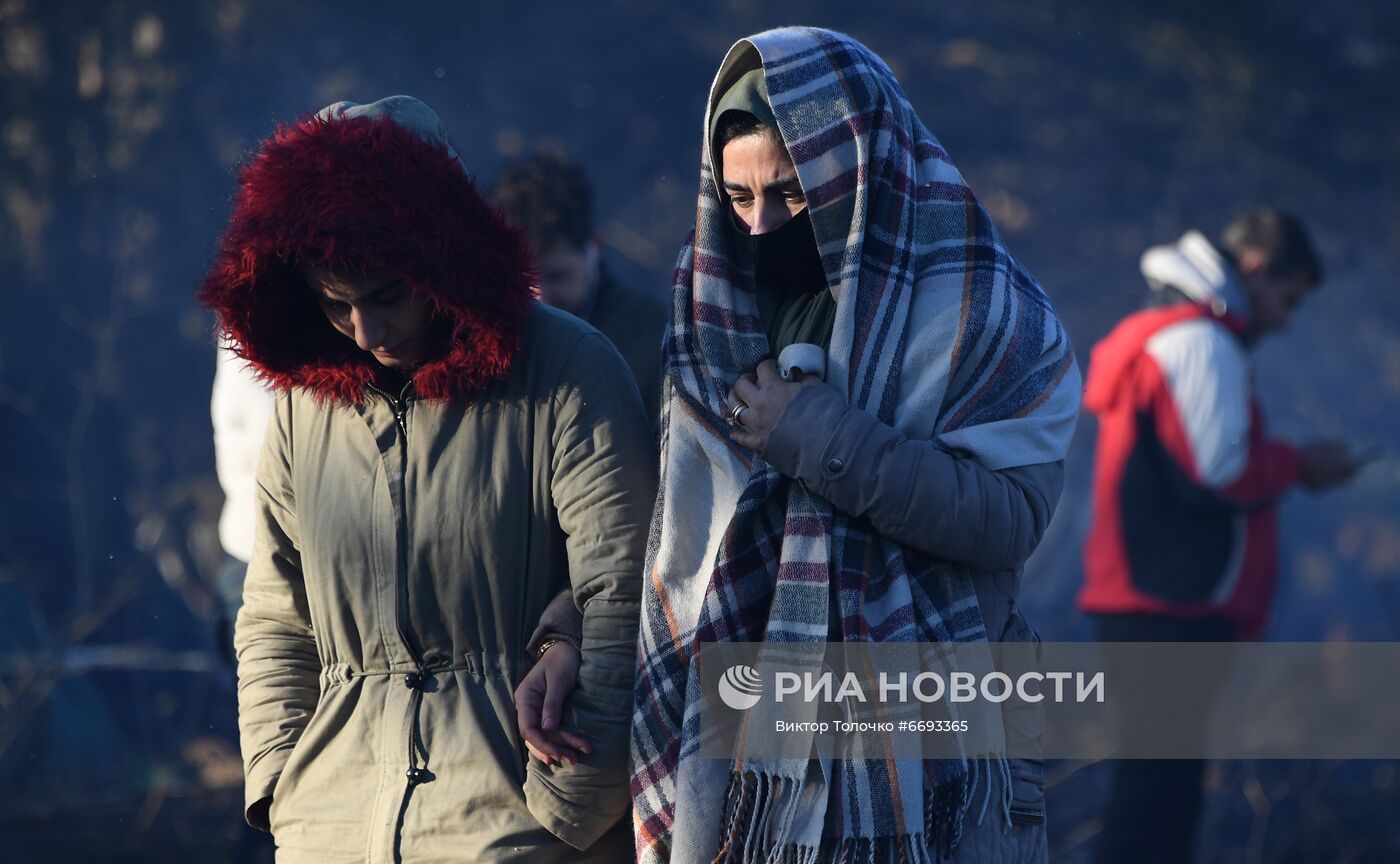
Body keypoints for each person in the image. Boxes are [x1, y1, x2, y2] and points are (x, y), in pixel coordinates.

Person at [629, 28, 1081, 864]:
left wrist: (813, 435)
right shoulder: (712, 315)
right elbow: (675, 530)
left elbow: (1009, 519)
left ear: (863, 172)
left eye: (792, 196)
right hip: (744, 739)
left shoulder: (985, 314)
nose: (761, 228)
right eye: (738, 199)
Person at [197, 95, 655, 863]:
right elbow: (277, 617)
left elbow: (629, 589)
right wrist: (285, 789)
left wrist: (567, 815)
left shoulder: (569, 368)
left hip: (521, 832)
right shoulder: (303, 411)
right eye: (335, 305)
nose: (369, 334)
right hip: (329, 835)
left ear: (444, 256)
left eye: (385, 295)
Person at [1077, 209, 1367, 863]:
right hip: (1170, 606)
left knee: (1158, 795)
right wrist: (1301, 464)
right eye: (1287, 300)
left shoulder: (1166, 332)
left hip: (1151, 601)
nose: (1286, 319)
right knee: (1155, 806)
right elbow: (1220, 472)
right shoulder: (1198, 342)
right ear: (1257, 269)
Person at [489, 151, 669, 422]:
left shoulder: (657, 338)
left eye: (556, 276)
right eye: (522, 279)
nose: (539, 298)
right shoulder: (481, 345)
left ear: (594, 247)